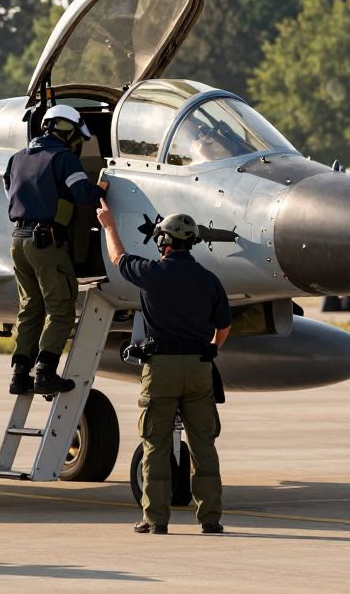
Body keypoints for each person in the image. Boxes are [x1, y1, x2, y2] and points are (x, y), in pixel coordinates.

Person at [96, 200, 231, 535]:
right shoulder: (209, 280)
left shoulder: (152, 273)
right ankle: (210, 519)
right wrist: (213, 347)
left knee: (155, 444)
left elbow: (118, 258)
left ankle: (155, 519)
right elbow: (224, 324)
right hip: (199, 368)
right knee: (204, 445)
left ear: (163, 241)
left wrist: (109, 225)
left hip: (161, 369)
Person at [3, 104, 108, 395]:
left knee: (30, 308)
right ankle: (45, 372)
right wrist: (103, 185)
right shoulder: (64, 158)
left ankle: (19, 374)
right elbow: (84, 195)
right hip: (46, 243)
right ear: (67, 130)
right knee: (60, 308)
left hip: (18, 241)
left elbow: (9, 191)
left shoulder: (17, 158)